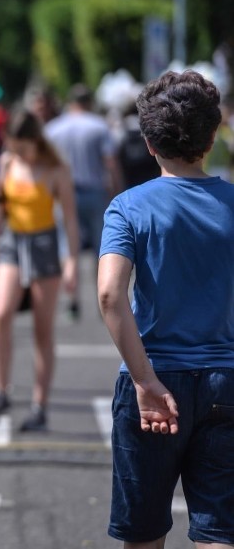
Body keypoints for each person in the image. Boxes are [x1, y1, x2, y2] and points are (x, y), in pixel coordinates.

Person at [98, 70, 234, 548]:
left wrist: (143, 380)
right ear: (212, 136)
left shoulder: (128, 207)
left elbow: (111, 295)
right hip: (225, 378)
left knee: (144, 534)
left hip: (154, 376)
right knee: (219, 532)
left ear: (149, 142)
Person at [0, 110, 80, 431]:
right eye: (12, 143)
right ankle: (2, 391)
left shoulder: (55, 169)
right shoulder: (7, 163)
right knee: (0, 313)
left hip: (44, 246)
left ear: (35, 140)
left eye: (21, 144)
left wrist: (73, 263)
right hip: (12, 242)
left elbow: (70, 220)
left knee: (42, 328)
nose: (16, 149)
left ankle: (40, 404)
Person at [45, 83, 122, 319]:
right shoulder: (99, 126)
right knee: (103, 249)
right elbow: (110, 162)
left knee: (69, 249)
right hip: (95, 192)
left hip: (63, 193)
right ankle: (103, 298)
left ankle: (73, 300)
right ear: (89, 102)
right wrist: (117, 189)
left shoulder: (53, 128)